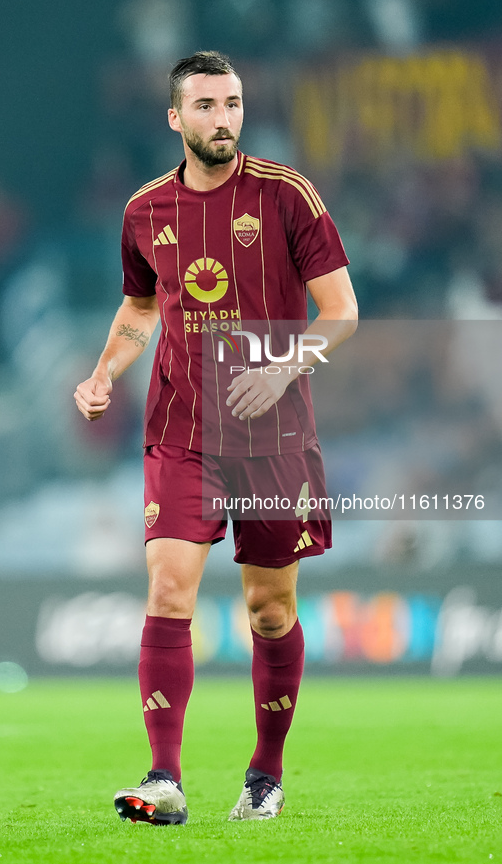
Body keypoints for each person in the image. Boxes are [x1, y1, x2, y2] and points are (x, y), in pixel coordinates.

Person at [74, 50, 357, 825]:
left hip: (275, 439)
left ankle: (264, 773)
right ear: (175, 118)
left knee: (269, 609)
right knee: (168, 589)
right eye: (205, 106)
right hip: (181, 432)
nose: (222, 118)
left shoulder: (287, 194)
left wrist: (279, 367)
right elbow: (139, 310)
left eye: (231, 103)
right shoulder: (143, 211)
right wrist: (104, 373)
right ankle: (163, 778)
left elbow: (340, 311)